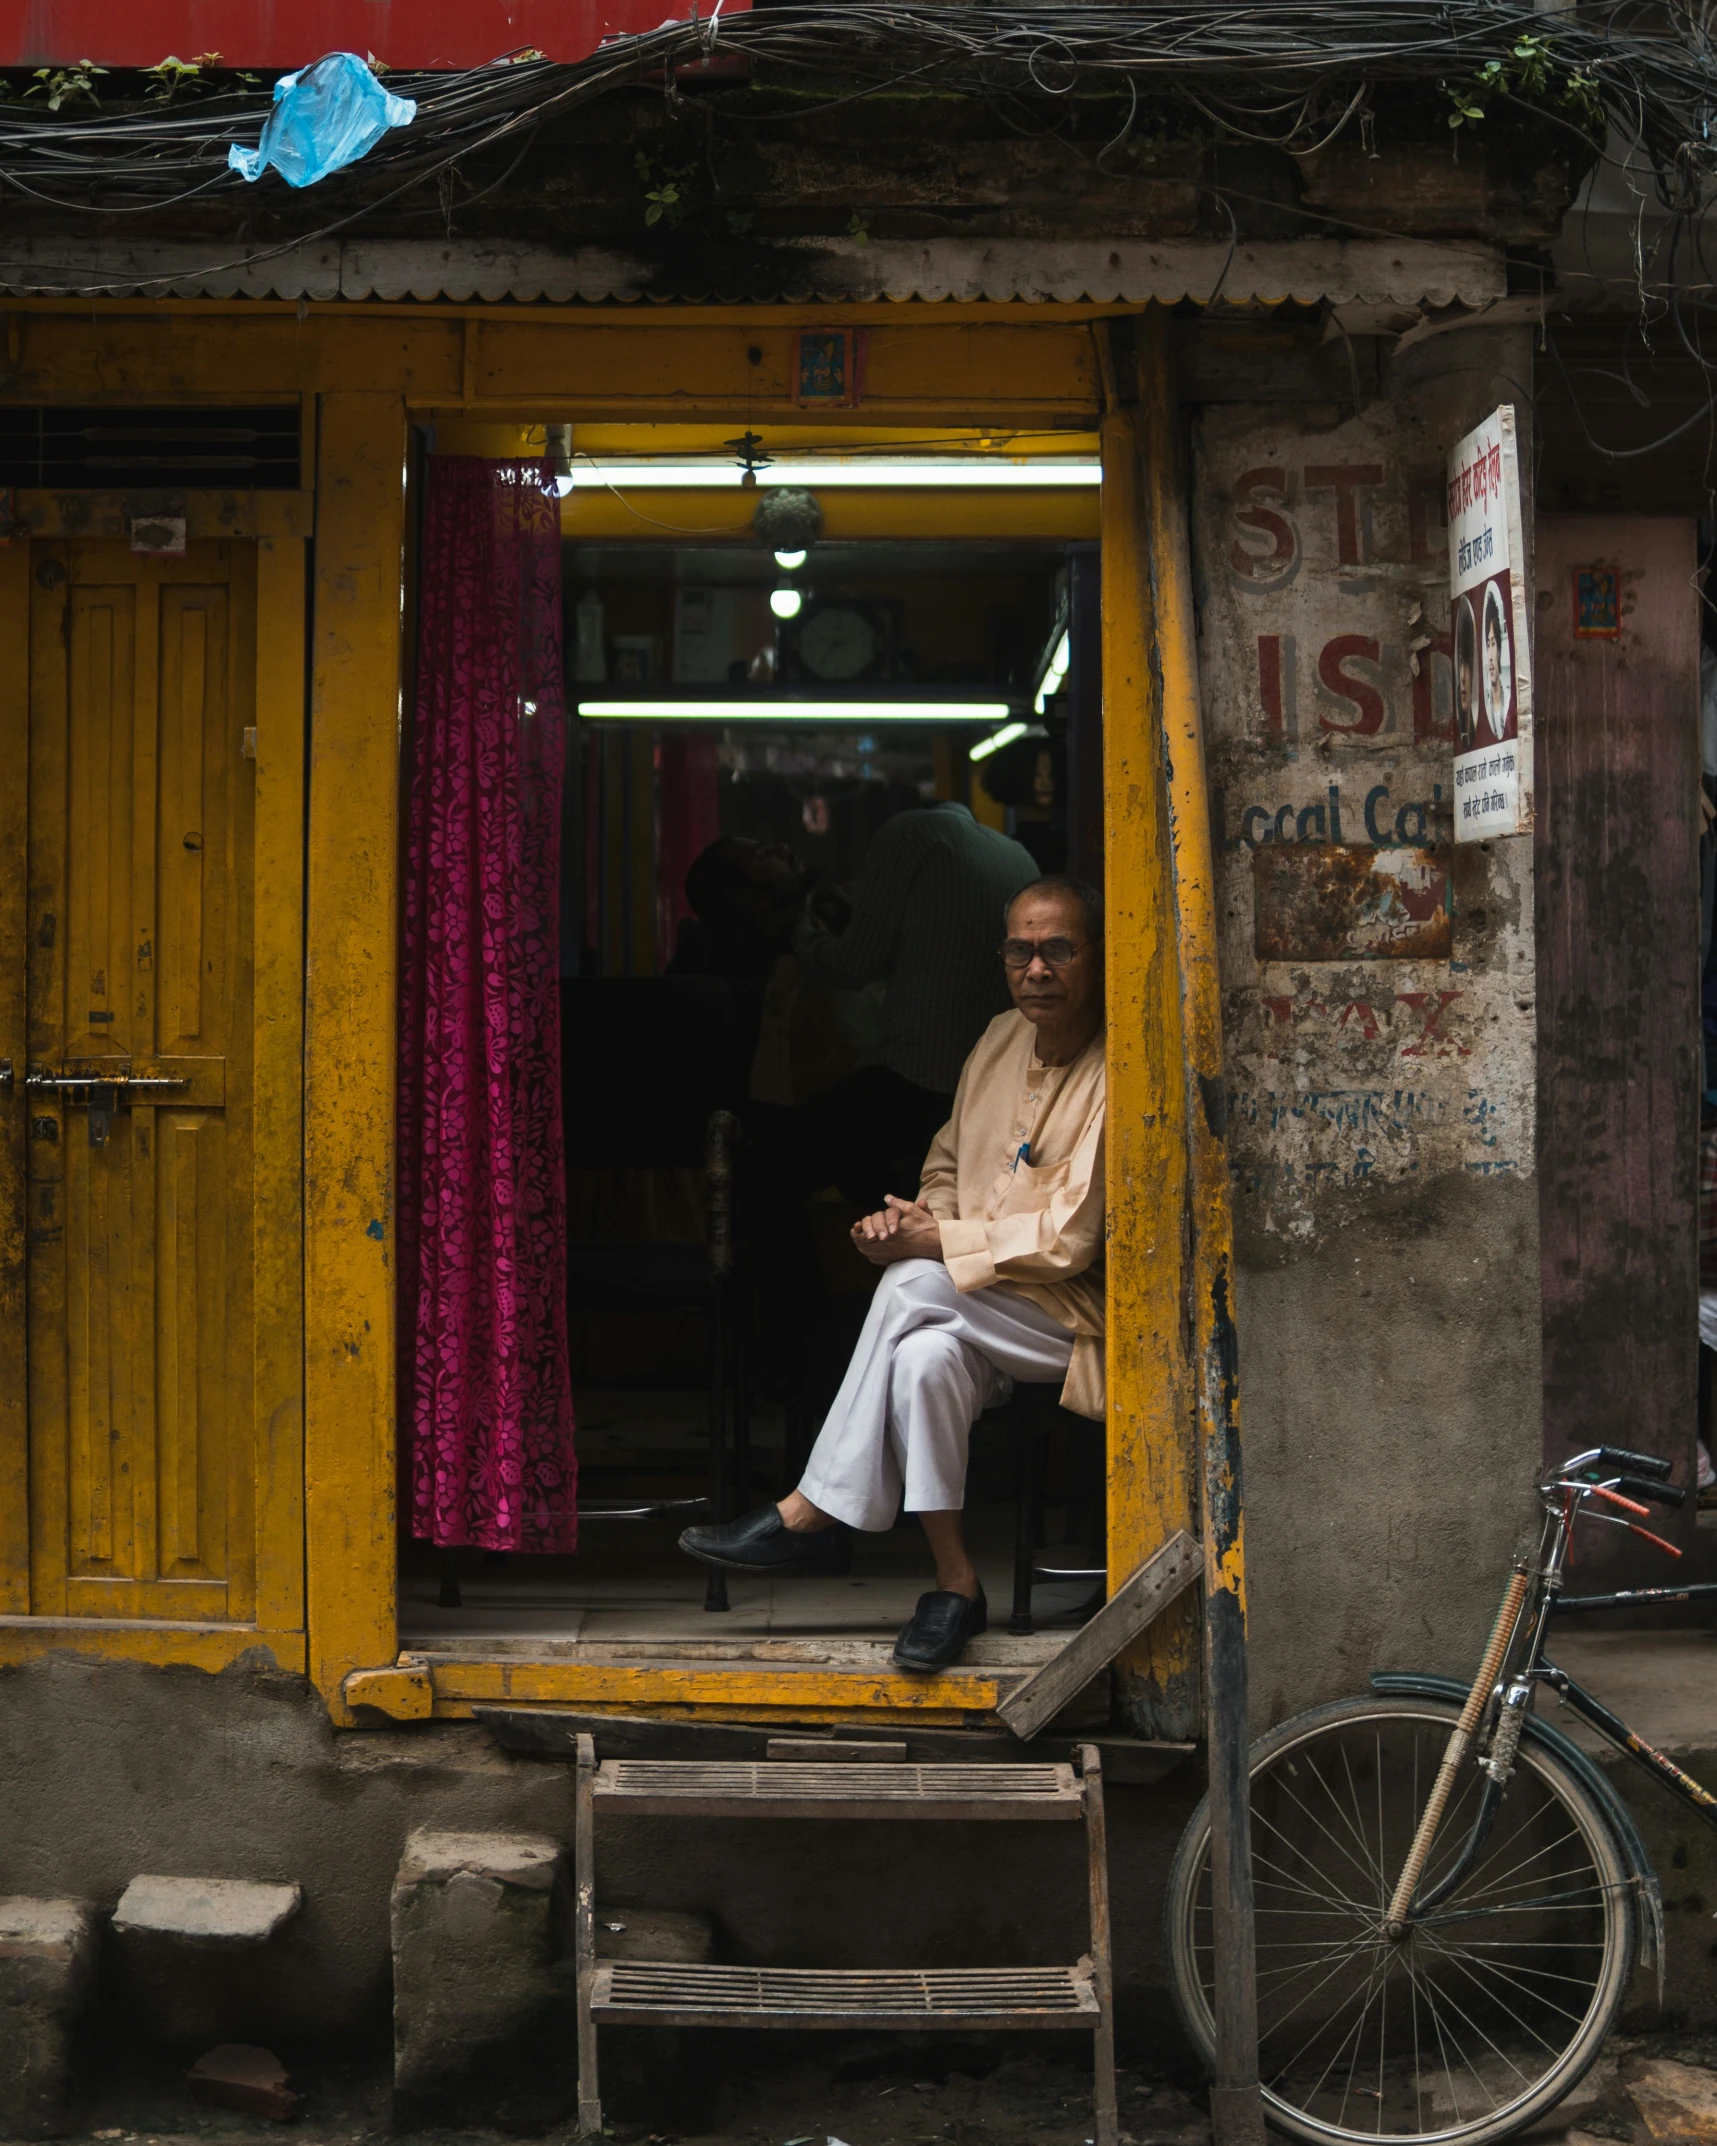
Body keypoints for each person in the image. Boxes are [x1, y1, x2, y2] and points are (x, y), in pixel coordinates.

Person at [679, 876, 1106, 1672]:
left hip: (1073, 1319)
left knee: (911, 1286)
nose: (1036, 970)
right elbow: (945, 1165)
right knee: (919, 1360)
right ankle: (954, 1586)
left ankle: (812, 1508)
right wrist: (917, 1220)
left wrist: (930, 1243)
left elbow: (1066, 1245)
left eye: (1057, 950)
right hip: (979, 1303)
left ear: (1095, 958)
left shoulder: (1118, 1068)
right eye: (1020, 950)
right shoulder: (997, 1038)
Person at [791, 799, 1039, 1212]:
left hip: (917, 1077)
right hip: (992, 1086)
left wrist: (799, 934)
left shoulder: (908, 833)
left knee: (779, 1158)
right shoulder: (1018, 856)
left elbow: (853, 965)